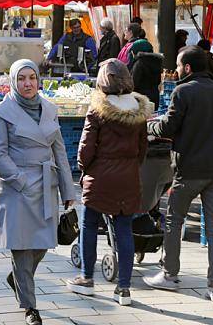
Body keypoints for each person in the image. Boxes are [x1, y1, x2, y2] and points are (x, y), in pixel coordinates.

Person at [0, 59, 77, 325]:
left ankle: (17, 278)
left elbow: (59, 151)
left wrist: (68, 189)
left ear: (38, 80)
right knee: (22, 249)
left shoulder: (49, 108)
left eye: (32, 78)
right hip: (16, 188)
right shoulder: (1, 112)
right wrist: (18, 180)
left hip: (45, 184)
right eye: (21, 79)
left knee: (43, 243)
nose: (27, 83)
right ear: (13, 82)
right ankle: (30, 307)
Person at [144, 46, 213, 303]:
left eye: (180, 65)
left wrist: (151, 124)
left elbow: (169, 126)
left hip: (190, 168)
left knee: (174, 220)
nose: (177, 70)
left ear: (188, 68)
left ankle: (169, 275)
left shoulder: (183, 91)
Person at [66, 60, 152, 306]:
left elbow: (85, 149)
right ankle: (123, 289)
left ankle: (86, 278)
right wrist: (132, 168)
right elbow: (142, 148)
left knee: (89, 224)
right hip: (128, 177)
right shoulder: (138, 111)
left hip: (100, 176)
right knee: (124, 228)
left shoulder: (98, 110)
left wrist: (85, 170)